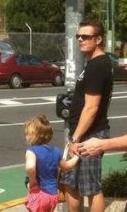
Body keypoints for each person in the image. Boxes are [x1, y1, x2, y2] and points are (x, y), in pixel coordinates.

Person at [61, 20, 113, 212]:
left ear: (98, 39)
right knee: (70, 183)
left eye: (86, 36)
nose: (80, 40)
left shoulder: (97, 66)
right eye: (78, 36)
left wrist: (76, 138)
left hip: (91, 135)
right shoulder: (92, 63)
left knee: (91, 188)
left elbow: (91, 108)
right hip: (79, 134)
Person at [24, 115, 80, 212]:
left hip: (39, 193)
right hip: (53, 195)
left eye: (27, 134)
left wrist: (33, 182)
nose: (26, 136)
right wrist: (77, 156)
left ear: (34, 135)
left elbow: (30, 168)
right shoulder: (56, 151)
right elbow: (67, 166)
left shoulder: (32, 151)